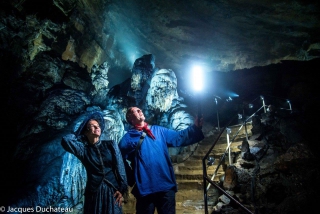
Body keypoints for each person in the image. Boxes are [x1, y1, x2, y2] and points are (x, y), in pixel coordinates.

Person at [118, 107, 204, 214]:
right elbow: (119, 159)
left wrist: (195, 127)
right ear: (130, 118)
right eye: (135, 111)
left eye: (140, 109)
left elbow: (178, 137)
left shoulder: (158, 130)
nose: (140, 111)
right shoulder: (128, 138)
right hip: (145, 188)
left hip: (165, 186)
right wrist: (131, 177)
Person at [61, 111, 128, 214]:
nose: (97, 127)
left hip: (112, 190)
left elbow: (120, 167)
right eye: (92, 126)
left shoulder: (110, 145)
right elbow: (66, 140)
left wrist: (122, 188)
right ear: (86, 132)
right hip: (94, 192)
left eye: (98, 125)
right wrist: (79, 132)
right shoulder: (84, 150)